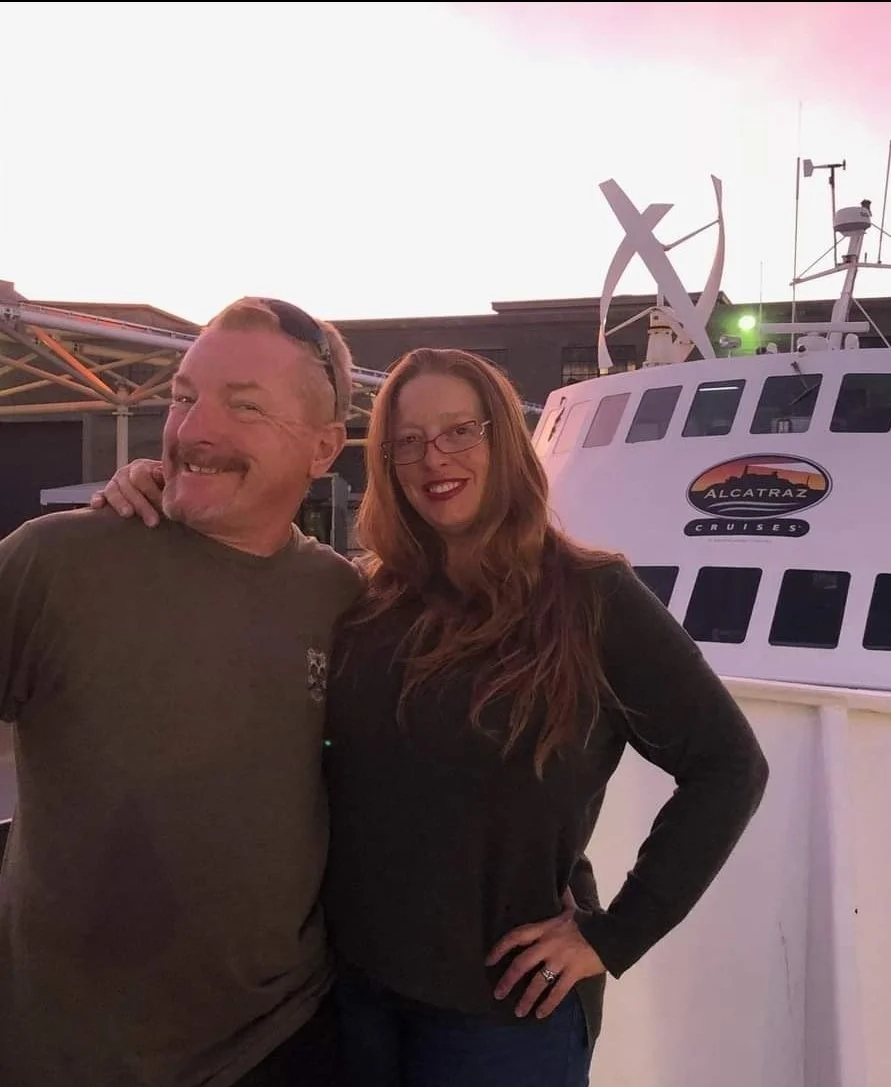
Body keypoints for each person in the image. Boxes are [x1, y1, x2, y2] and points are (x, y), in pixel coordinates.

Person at [95, 347, 770, 1087]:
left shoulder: (590, 598)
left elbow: (728, 766)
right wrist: (164, 489)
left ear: (503, 439)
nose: (432, 458)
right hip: (348, 995)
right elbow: (246, 575)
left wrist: (613, 934)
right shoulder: (368, 600)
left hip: (500, 1021)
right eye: (407, 440)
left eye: (458, 431)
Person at [0, 297, 362, 1087]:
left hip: (280, 1042)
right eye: (185, 395)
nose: (196, 430)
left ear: (324, 448)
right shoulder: (56, 562)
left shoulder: (345, 601)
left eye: (244, 407)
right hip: (63, 1057)